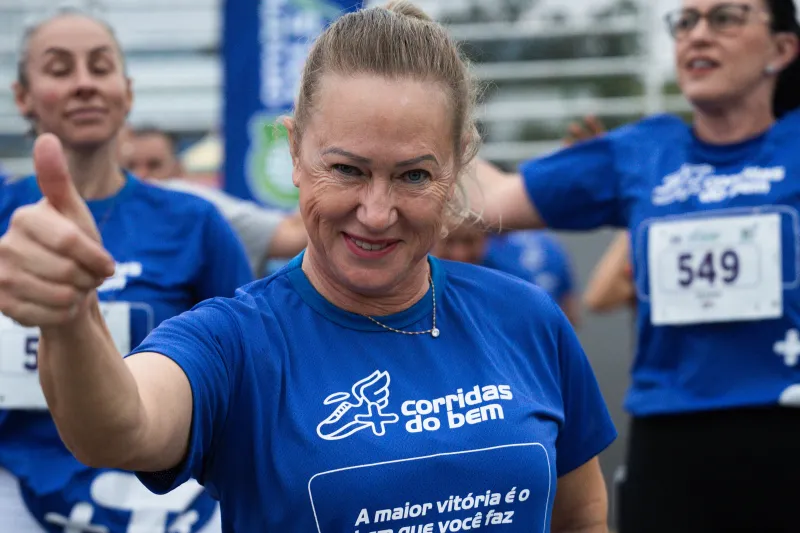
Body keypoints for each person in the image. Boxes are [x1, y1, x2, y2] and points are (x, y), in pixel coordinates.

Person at [0, 2, 617, 531]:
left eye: (414, 176)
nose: (376, 213)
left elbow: (582, 513)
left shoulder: (524, 317)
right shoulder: (236, 342)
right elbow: (117, 427)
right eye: (347, 170)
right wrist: (71, 318)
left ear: (458, 167)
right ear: (294, 153)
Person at [472, 0, 800, 531]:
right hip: (671, 442)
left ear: (782, 48)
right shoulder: (643, 151)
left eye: (724, 18)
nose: (698, 35)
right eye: (686, 21)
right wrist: (417, 118)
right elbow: (487, 201)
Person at [0, 8, 254, 532]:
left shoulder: (195, 222)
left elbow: (246, 366)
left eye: (100, 66)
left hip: (167, 501)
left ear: (127, 91)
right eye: (59, 68)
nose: (84, 84)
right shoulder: (7, 221)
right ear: (23, 96)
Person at [119, 125, 308, 274]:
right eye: (131, 167)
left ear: (178, 170)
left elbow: (295, 235)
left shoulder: (199, 206)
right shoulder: (99, 212)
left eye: (154, 165)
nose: (141, 176)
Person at [432, 223, 580, 325]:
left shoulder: (504, 275)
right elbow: (570, 317)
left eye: (469, 241)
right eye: (448, 242)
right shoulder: (546, 242)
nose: (459, 254)